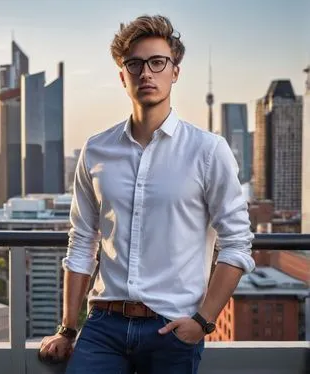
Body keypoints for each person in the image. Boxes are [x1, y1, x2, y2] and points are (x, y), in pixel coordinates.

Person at [38, 14, 255, 374]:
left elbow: (237, 243)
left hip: (172, 328)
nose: (146, 73)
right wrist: (67, 328)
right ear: (122, 76)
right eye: (135, 65)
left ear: (175, 72)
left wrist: (203, 322)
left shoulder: (208, 150)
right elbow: (81, 243)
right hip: (103, 326)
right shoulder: (96, 151)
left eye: (158, 63)